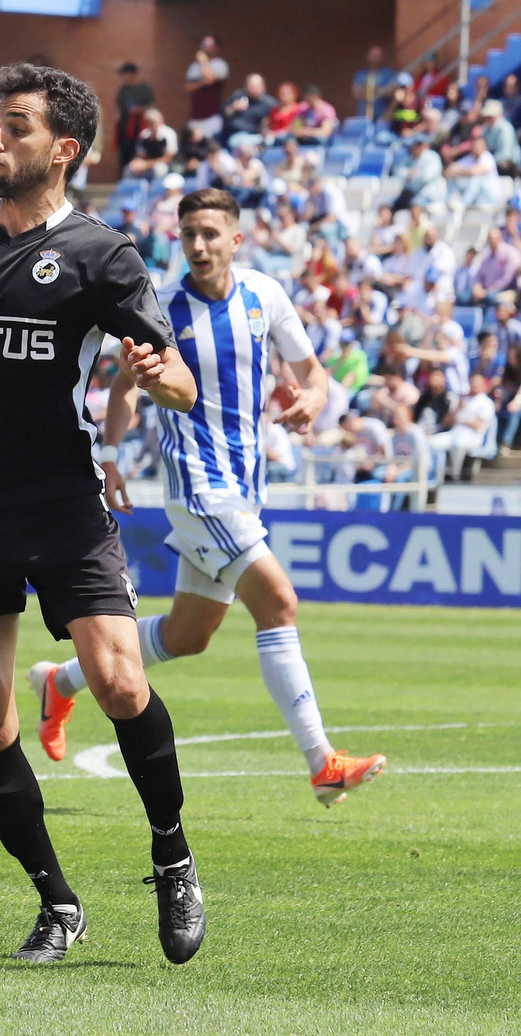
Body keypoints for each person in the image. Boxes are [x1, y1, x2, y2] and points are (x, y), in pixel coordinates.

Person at [0, 62, 204, 966]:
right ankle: (55, 901)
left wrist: (157, 377)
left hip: (62, 503)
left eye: (16, 127)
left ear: (63, 149)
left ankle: (174, 853)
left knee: (117, 679)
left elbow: (179, 379)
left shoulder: (102, 253)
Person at [39, 186, 388, 811]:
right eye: (189, 234)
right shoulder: (163, 306)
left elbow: (313, 374)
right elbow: (123, 385)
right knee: (278, 601)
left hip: (245, 487)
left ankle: (61, 681)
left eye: (210, 233)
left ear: (235, 238)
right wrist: (113, 457)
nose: (198, 245)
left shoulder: (265, 295)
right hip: (198, 487)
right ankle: (323, 764)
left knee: (188, 633)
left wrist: (312, 398)